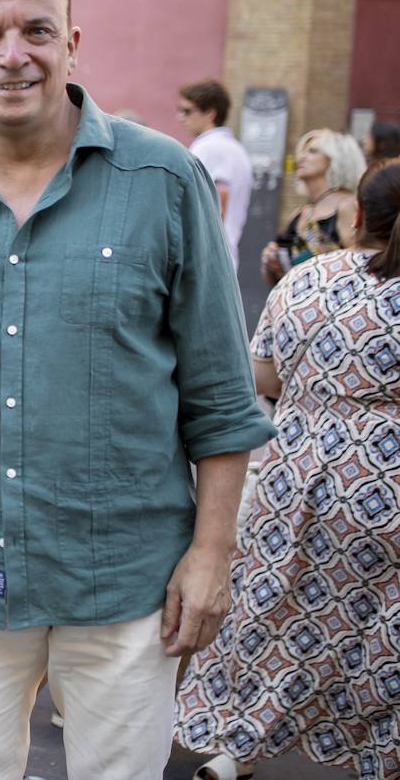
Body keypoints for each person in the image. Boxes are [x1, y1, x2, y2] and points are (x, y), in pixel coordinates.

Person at [0, 0, 275, 780]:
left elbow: (221, 392)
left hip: (125, 577)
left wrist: (212, 554)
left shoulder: (163, 180)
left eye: (38, 30)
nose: (14, 56)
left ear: (72, 42)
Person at [176, 158, 400, 780]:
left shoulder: (310, 278)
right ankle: (378, 756)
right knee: (378, 629)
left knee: (273, 613)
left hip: (293, 473)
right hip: (386, 484)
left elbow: (263, 376)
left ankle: (234, 751)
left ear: (358, 214)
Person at [260, 129, 366, 287]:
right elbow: (277, 282)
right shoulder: (301, 213)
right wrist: (270, 264)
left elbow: (361, 267)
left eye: (313, 151)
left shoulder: (347, 207)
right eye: (302, 151)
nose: (301, 157)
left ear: (336, 159)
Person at [177, 78, 255, 271]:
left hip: (206, 259)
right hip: (226, 256)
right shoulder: (236, 149)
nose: (181, 117)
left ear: (210, 113)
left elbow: (219, 201)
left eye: (187, 111)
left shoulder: (208, 148)